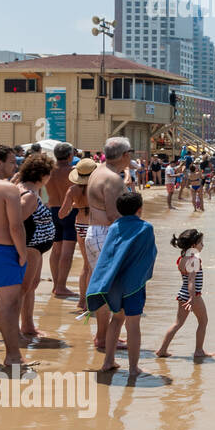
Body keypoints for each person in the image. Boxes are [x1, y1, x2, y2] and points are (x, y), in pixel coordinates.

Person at [87, 189, 157, 374]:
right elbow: (149, 256)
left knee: (116, 320)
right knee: (133, 324)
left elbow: (108, 256)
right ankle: (133, 368)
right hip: (134, 285)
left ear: (118, 209)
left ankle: (108, 361)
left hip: (115, 284)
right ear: (140, 209)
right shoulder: (146, 228)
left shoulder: (114, 227)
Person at [86, 137, 133, 353]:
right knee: (114, 290)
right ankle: (104, 338)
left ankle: (103, 336)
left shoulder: (98, 171)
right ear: (124, 155)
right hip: (107, 234)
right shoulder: (112, 179)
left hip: (95, 232)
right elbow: (114, 215)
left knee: (103, 289)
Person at [0, 145, 28, 368]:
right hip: (3, 252)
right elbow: (16, 227)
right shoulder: (8, 189)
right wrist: (23, 253)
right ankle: (13, 356)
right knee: (7, 306)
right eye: (11, 162)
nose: (15, 167)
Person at [15, 153, 56, 340]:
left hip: (36, 248)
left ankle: (28, 325)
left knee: (31, 285)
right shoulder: (28, 195)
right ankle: (14, 330)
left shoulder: (30, 190)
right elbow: (15, 223)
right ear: (42, 174)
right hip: (30, 247)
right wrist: (22, 250)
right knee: (23, 288)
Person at [157, 228, 212, 360]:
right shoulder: (194, 259)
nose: (202, 246)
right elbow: (191, 281)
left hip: (182, 294)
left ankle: (162, 350)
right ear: (193, 246)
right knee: (203, 321)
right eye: (201, 243)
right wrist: (193, 298)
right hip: (193, 295)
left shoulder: (182, 259)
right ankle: (199, 351)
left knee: (177, 323)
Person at [59, 159, 96, 313]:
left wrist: (77, 205)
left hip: (80, 225)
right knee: (93, 267)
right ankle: (89, 302)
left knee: (85, 266)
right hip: (94, 225)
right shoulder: (96, 188)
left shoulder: (72, 189)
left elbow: (62, 214)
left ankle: (81, 301)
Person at [46, 142, 79, 298]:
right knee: (68, 250)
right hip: (70, 211)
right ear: (70, 156)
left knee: (56, 249)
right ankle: (61, 286)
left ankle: (55, 285)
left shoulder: (49, 171)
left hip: (53, 210)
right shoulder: (73, 171)